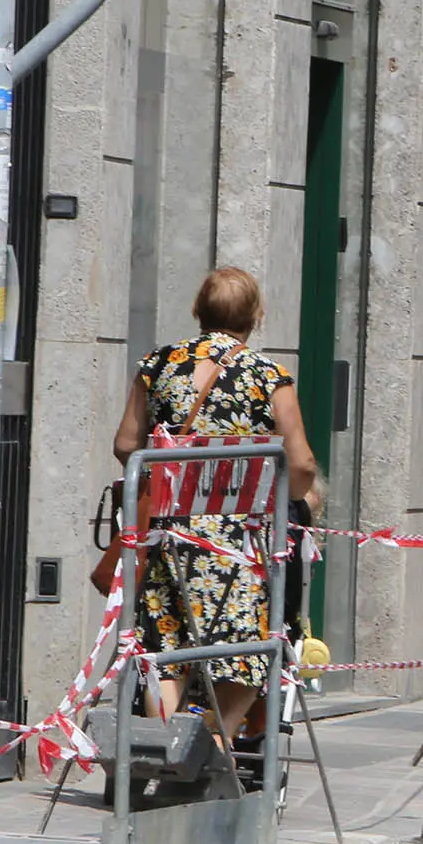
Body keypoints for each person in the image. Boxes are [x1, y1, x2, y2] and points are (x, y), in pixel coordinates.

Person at [112, 267, 318, 745]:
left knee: (167, 643)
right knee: (246, 646)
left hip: (169, 532)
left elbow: (126, 445)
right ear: (256, 315)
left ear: (197, 312)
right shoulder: (268, 376)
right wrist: (282, 492)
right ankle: (218, 741)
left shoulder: (157, 365)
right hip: (238, 545)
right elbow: (302, 463)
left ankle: (167, 744)